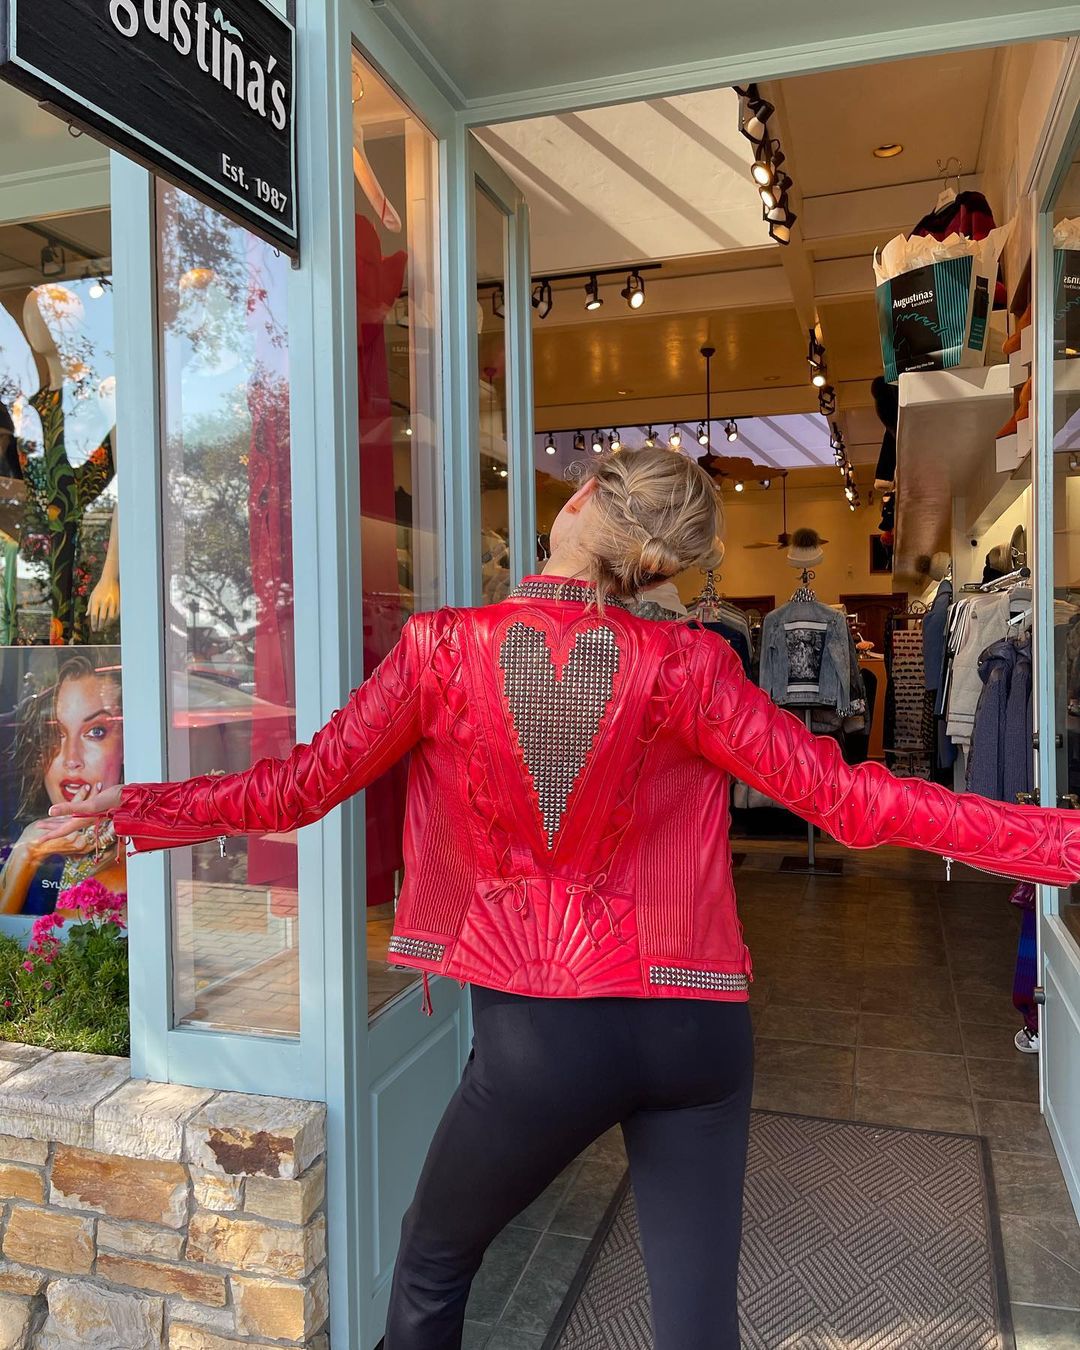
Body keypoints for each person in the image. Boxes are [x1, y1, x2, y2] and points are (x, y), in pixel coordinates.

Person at [42, 449, 1080, 1350]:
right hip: (697, 1029)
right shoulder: (690, 662)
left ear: (582, 499)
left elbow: (299, 788)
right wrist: (1059, 840)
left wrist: (138, 809)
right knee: (696, 1329)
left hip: (544, 1040)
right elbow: (851, 802)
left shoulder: (441, 649)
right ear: (655, 564)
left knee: (431, 1266)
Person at [0, 651, 125, 917]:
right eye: (56, 733)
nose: (71, 759)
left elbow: (17, 942)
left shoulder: (115, 879)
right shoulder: (33, 839)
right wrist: (26, 852)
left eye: (96, 732)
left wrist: (28, 854)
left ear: (126, 745)